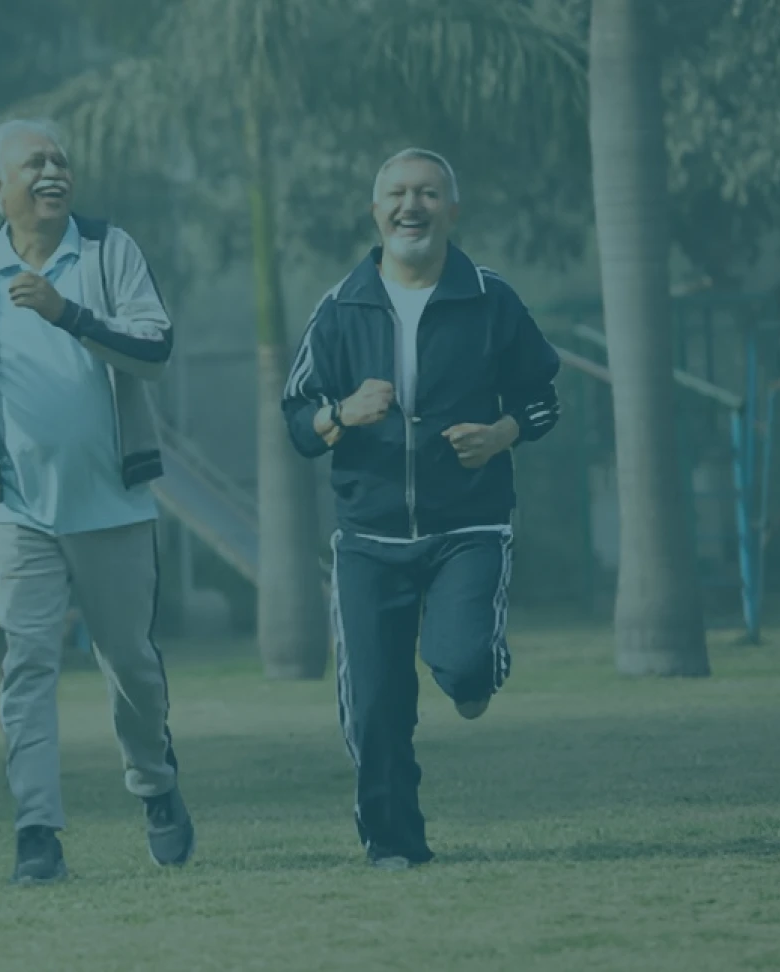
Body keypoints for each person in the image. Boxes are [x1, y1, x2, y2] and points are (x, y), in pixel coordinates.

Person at [0, 118, 194, 885]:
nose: (51, 170)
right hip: (16, 509)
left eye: (60, 160)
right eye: (33, 161)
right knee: (27, 665)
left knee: (130, 666)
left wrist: (66, 311)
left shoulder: (109, 252)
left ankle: (155, 785)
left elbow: (155, 349)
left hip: (112, 504)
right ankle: (37, 831)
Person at [281, 148, 562, 870]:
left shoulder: (490, 298)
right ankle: (393, 844)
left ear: (452, 210)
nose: (413, 206)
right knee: (375, 707)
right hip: (369, 539)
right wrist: (341, 412)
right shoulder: (341, 305)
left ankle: (474, 675)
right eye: (398, 194)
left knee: (463, 666)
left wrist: (501, 434)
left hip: (467, 527)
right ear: (376, 212)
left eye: (429, 193)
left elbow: (542, 397)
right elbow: (297, 421)